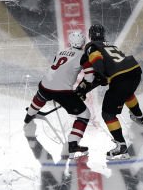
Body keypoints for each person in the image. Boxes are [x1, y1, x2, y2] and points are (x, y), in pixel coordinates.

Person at [77, 24, 143, 159]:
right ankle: (139, 117)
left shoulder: (91, 46)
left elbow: (96, 62)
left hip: (121, 78)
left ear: (90, 35)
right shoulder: (110, 45)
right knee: (126, 93)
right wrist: (103, 77)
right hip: (134, 71)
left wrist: (98, 78)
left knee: (108, 114)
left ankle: (121, 147)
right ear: (103, 34)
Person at [23, 30, 94, 158]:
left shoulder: (61, 52)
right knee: (84, 114)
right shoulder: (83, 55)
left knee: (41, 95)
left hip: (45, 85)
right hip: (63, 92)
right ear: (83, 42)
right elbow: (90, 76)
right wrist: (83, 87)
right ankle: (73, 144)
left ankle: (29, 116)